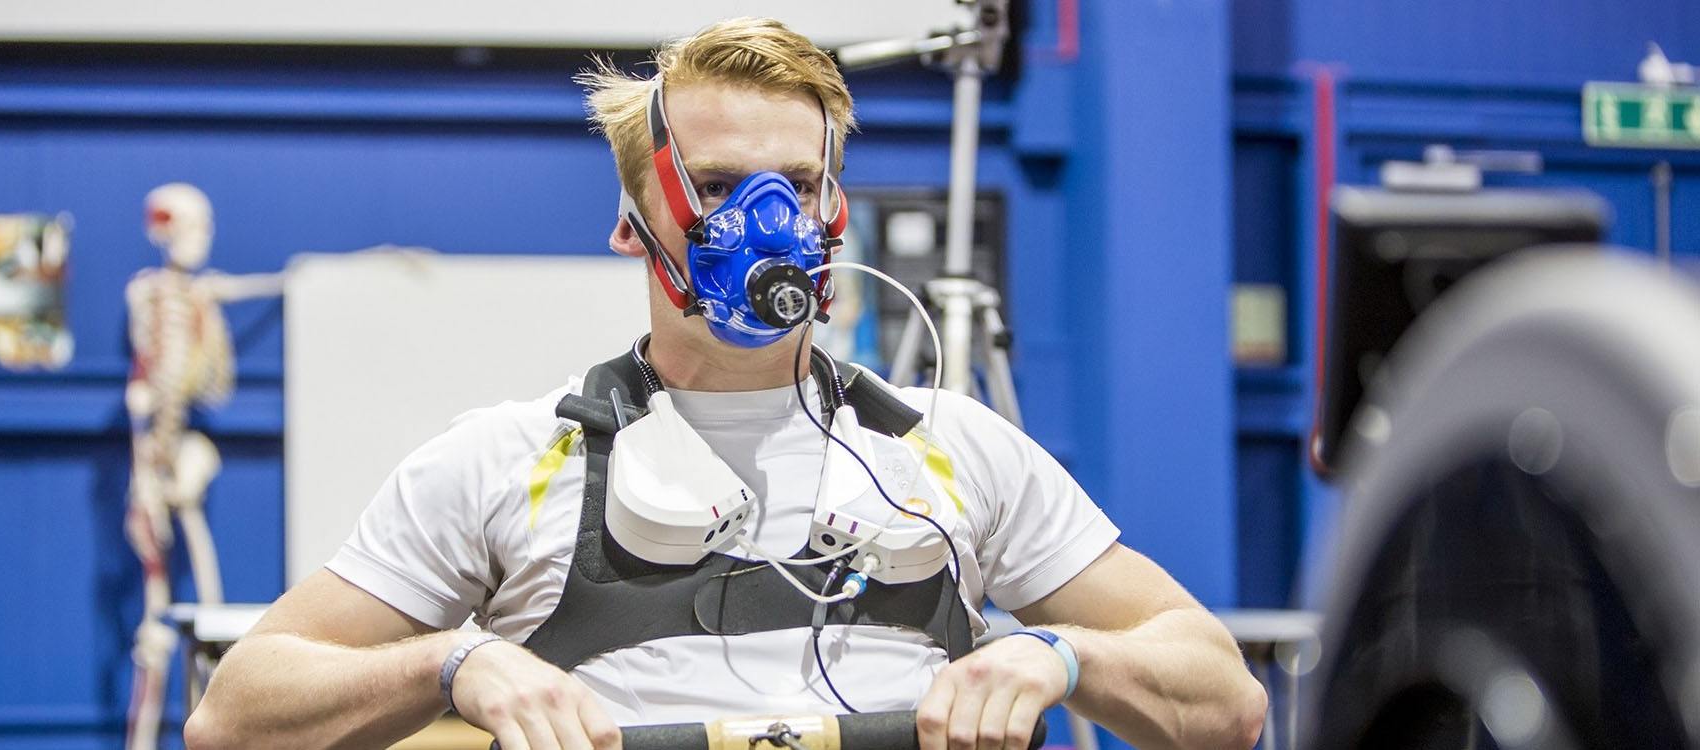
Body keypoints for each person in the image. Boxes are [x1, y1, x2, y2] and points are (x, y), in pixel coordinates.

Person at [185, 17, 1265, 750]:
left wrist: (1057, 657)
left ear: (836, 211)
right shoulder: (508, 461)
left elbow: (1226, 702)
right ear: (630, 223)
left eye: (796, 184)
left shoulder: (948, 448)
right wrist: (453, 666)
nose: (768, 226)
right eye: (713, 185)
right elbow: (233, 717)